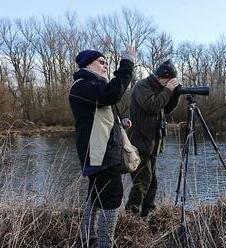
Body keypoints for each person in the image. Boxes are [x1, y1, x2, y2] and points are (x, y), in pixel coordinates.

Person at [69, 47, 135, 248]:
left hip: (102, 153)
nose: (105, 65)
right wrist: (127, 64)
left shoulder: (94, 85)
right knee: (112, 199)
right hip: (101, 156)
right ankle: (105, 244)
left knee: (95, 196)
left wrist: (119, 122)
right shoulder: (82, 86)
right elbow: (111, 95)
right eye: (101, 61)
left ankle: (87, 238)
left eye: (107, 62)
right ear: (87, 65)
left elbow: (97, 118)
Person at [125, 59, 180, 217]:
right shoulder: (142, 86)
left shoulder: (160, 88)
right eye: (169, 81)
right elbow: (152, 106)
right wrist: (168, 90)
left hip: (152, 145)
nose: (169, 84)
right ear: (162, 77)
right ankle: (131, 216)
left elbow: (166, 108)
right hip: (139, 144)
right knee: (143, 182)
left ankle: (146, 215)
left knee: (152, 184)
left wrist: (174, 95)